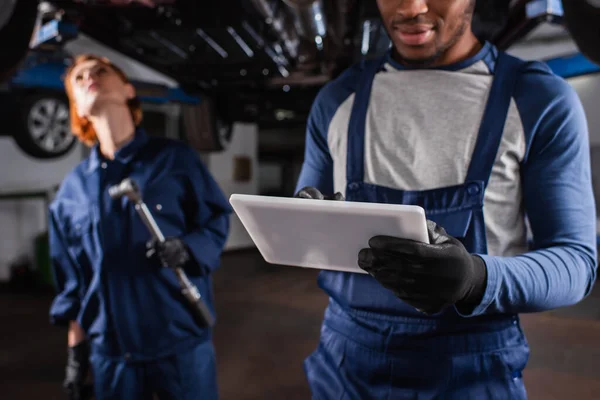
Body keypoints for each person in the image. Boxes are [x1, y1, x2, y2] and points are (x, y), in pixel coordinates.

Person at [295, 0, 597, 398]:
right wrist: (309, 220)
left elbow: (576, 263)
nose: (411, 8)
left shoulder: (538, 99)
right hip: (345, 362)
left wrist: (475, 279)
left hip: (469, 367)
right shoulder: (337, 100)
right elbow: (303, 228)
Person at [48, 54, 232, 400]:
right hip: (113, 356)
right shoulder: (70, 194)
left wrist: (188, 247)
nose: (90, 77)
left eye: (100, 71)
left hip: (180, 344)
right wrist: (76, 358)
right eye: (79, 79)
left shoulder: (176, 159)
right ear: (78, 108)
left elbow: (216, 220)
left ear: (128, 89)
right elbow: (74, 286)